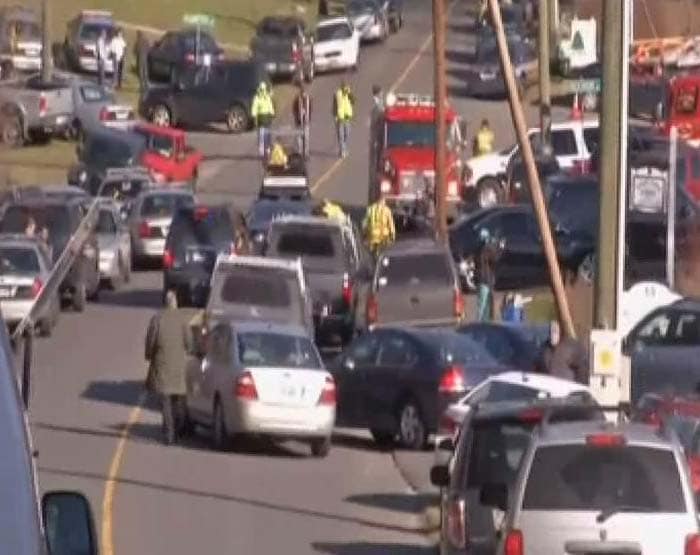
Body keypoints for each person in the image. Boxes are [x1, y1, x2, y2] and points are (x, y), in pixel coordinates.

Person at [144, 291, 197, 445]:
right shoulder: (182, 320)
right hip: (179, 367)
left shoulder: (157, 320)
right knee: (177, 401)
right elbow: (189, 343)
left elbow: (150, 342)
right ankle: (176, 430)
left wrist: (149, 355)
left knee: (166, 401)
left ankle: (169, 434)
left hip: (162, 366)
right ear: (176, 303)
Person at [543, 320, 588, 384]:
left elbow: (582, 367)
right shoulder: (545, 348)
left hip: (567, 389)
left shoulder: (571, 346)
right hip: (550, 388)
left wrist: (578, 386)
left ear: (561, 331)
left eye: (554, 331)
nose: (551, 335)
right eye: (550, 332)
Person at [475, 228, 503, 321]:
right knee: (484, 305)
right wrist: (500, 247)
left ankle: (484, 323)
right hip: (486, 279)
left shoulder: (479, 248)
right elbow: (495, 258)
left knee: (484, 304)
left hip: (482, 279)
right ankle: (480, 324)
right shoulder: (486, 249)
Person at [251, 81, 276, 157]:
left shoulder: (261, 97)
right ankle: (265, 150)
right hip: (264, 118)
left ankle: (264, 150)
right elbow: (269, 106)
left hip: (264, 118)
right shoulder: (263, 97)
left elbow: (255, 108)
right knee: (265, 134)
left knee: (264, 135)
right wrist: (272, 114)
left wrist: (272, 113)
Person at [333, 80, 355, 158]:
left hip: (347, 116)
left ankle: (343, 147)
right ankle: (342, 150)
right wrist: (335, 115)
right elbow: (335, 105)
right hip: (340, 117)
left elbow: (353, 101)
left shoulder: (348, 93)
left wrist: (349, 94)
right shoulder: (337, 94)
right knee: (341, 134)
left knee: (347, 133)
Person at [293, 79, 312, 156]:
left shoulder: (308, 99)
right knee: (299, 138)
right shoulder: (297, 99)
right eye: (302, 91)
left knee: (306, 138)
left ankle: (306, 153)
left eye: (304, 91)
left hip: (306, 121)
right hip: (298, 121)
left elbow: (310, 109)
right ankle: (299, 152)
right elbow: (294, 109)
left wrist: (308, 117)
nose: (303, 93)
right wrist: (296, 117)